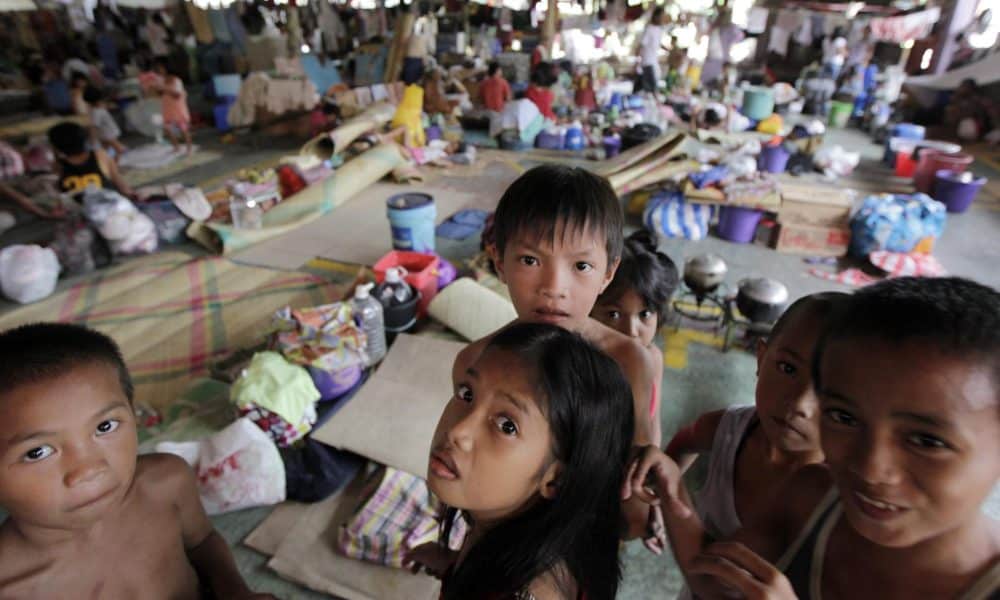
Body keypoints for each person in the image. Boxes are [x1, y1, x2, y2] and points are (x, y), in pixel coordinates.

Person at [626, 277, 1000, 599]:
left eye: (927, 441)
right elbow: (714, 583)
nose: (870, 468)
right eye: (845, 417)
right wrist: (672, 488)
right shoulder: (814, 496)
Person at [455, 164, 659, 539]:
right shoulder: (476, 363)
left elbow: (639, 454)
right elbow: (470, 471)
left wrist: (649, 477)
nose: (554, 288)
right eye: (530, 260)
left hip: (588, 528)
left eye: (581, 265)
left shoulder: (628, 361)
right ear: (499, 261)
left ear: (608, 274)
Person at [0, 323, 273, 599]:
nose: (89, 469)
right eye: (37, 452)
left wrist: (235, 590)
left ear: (133, 413)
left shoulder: (166, 483)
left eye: (105, 426)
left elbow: (202, 541)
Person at [407, 323, 635, 600]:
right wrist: (456, 566)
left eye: (507, 426)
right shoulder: (523, 526)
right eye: (467, 394)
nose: (458, 432)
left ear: (556, 479)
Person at [663, 292, 846, 554]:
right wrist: (662, 490)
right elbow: (685, 441)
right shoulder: (727, 430)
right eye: (787, 368)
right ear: (761, 358)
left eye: (830, 390)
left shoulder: (844, 500)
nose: (799, 404)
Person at [591, 230, 679, 448]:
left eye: (645, 314)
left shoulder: (654, 358)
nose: (631, 331)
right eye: (613, 314)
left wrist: (650, 458)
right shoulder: (582, 365)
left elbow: (652, 425)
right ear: (589, 312)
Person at [48, 121, 134, 200]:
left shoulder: (57, 165)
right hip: (109, 206)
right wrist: (132, 196)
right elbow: (119, 182)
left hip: (81, 212)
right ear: (84, 139)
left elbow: (59, 192)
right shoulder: (100, 155)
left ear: (55, 147)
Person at [153, 57, 192, 155]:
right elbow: (159, 93)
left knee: (183, 129)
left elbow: (177, 94)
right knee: (168, 129)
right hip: (168, 107)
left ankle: (189, 148)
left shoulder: (175, 79)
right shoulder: (161, 80)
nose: (159, 70)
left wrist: (164, 89)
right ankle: (176, 147)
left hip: (178, 108)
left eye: (160, 67)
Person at [83, 86, 127, 158]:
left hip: (107, 133)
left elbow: (94, 127)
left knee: (117, 148)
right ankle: (113, 161)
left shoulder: (95, 112)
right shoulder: (99, 108)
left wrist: (93, 139)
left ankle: (123, 155)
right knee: (108, 150)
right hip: (107, 132)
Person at [638, 7, 668, 95]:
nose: (663, 18)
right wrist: (637, 62)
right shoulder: (649, 29)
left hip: (653, 62)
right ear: (656, 16)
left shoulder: (659, 30)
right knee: (651, 90)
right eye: (662, 16)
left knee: (648, 89)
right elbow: (641, 46)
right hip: (647, 62)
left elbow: (657, 44)